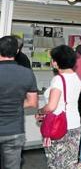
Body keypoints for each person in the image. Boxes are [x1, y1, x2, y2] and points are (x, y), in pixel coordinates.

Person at [37, 45, 81, 168]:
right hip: (75, 124)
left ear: (55, 62)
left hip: (58, 125)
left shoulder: (58, 79)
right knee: (70, 162)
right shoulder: (76, 77)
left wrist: (40, 111)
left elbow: (51, 106)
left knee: (56, 162)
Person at [0, 36, 38, 169]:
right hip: (15, 131)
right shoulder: (27, 73)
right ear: (17, 51)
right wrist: (15, 103)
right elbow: (33, 102)